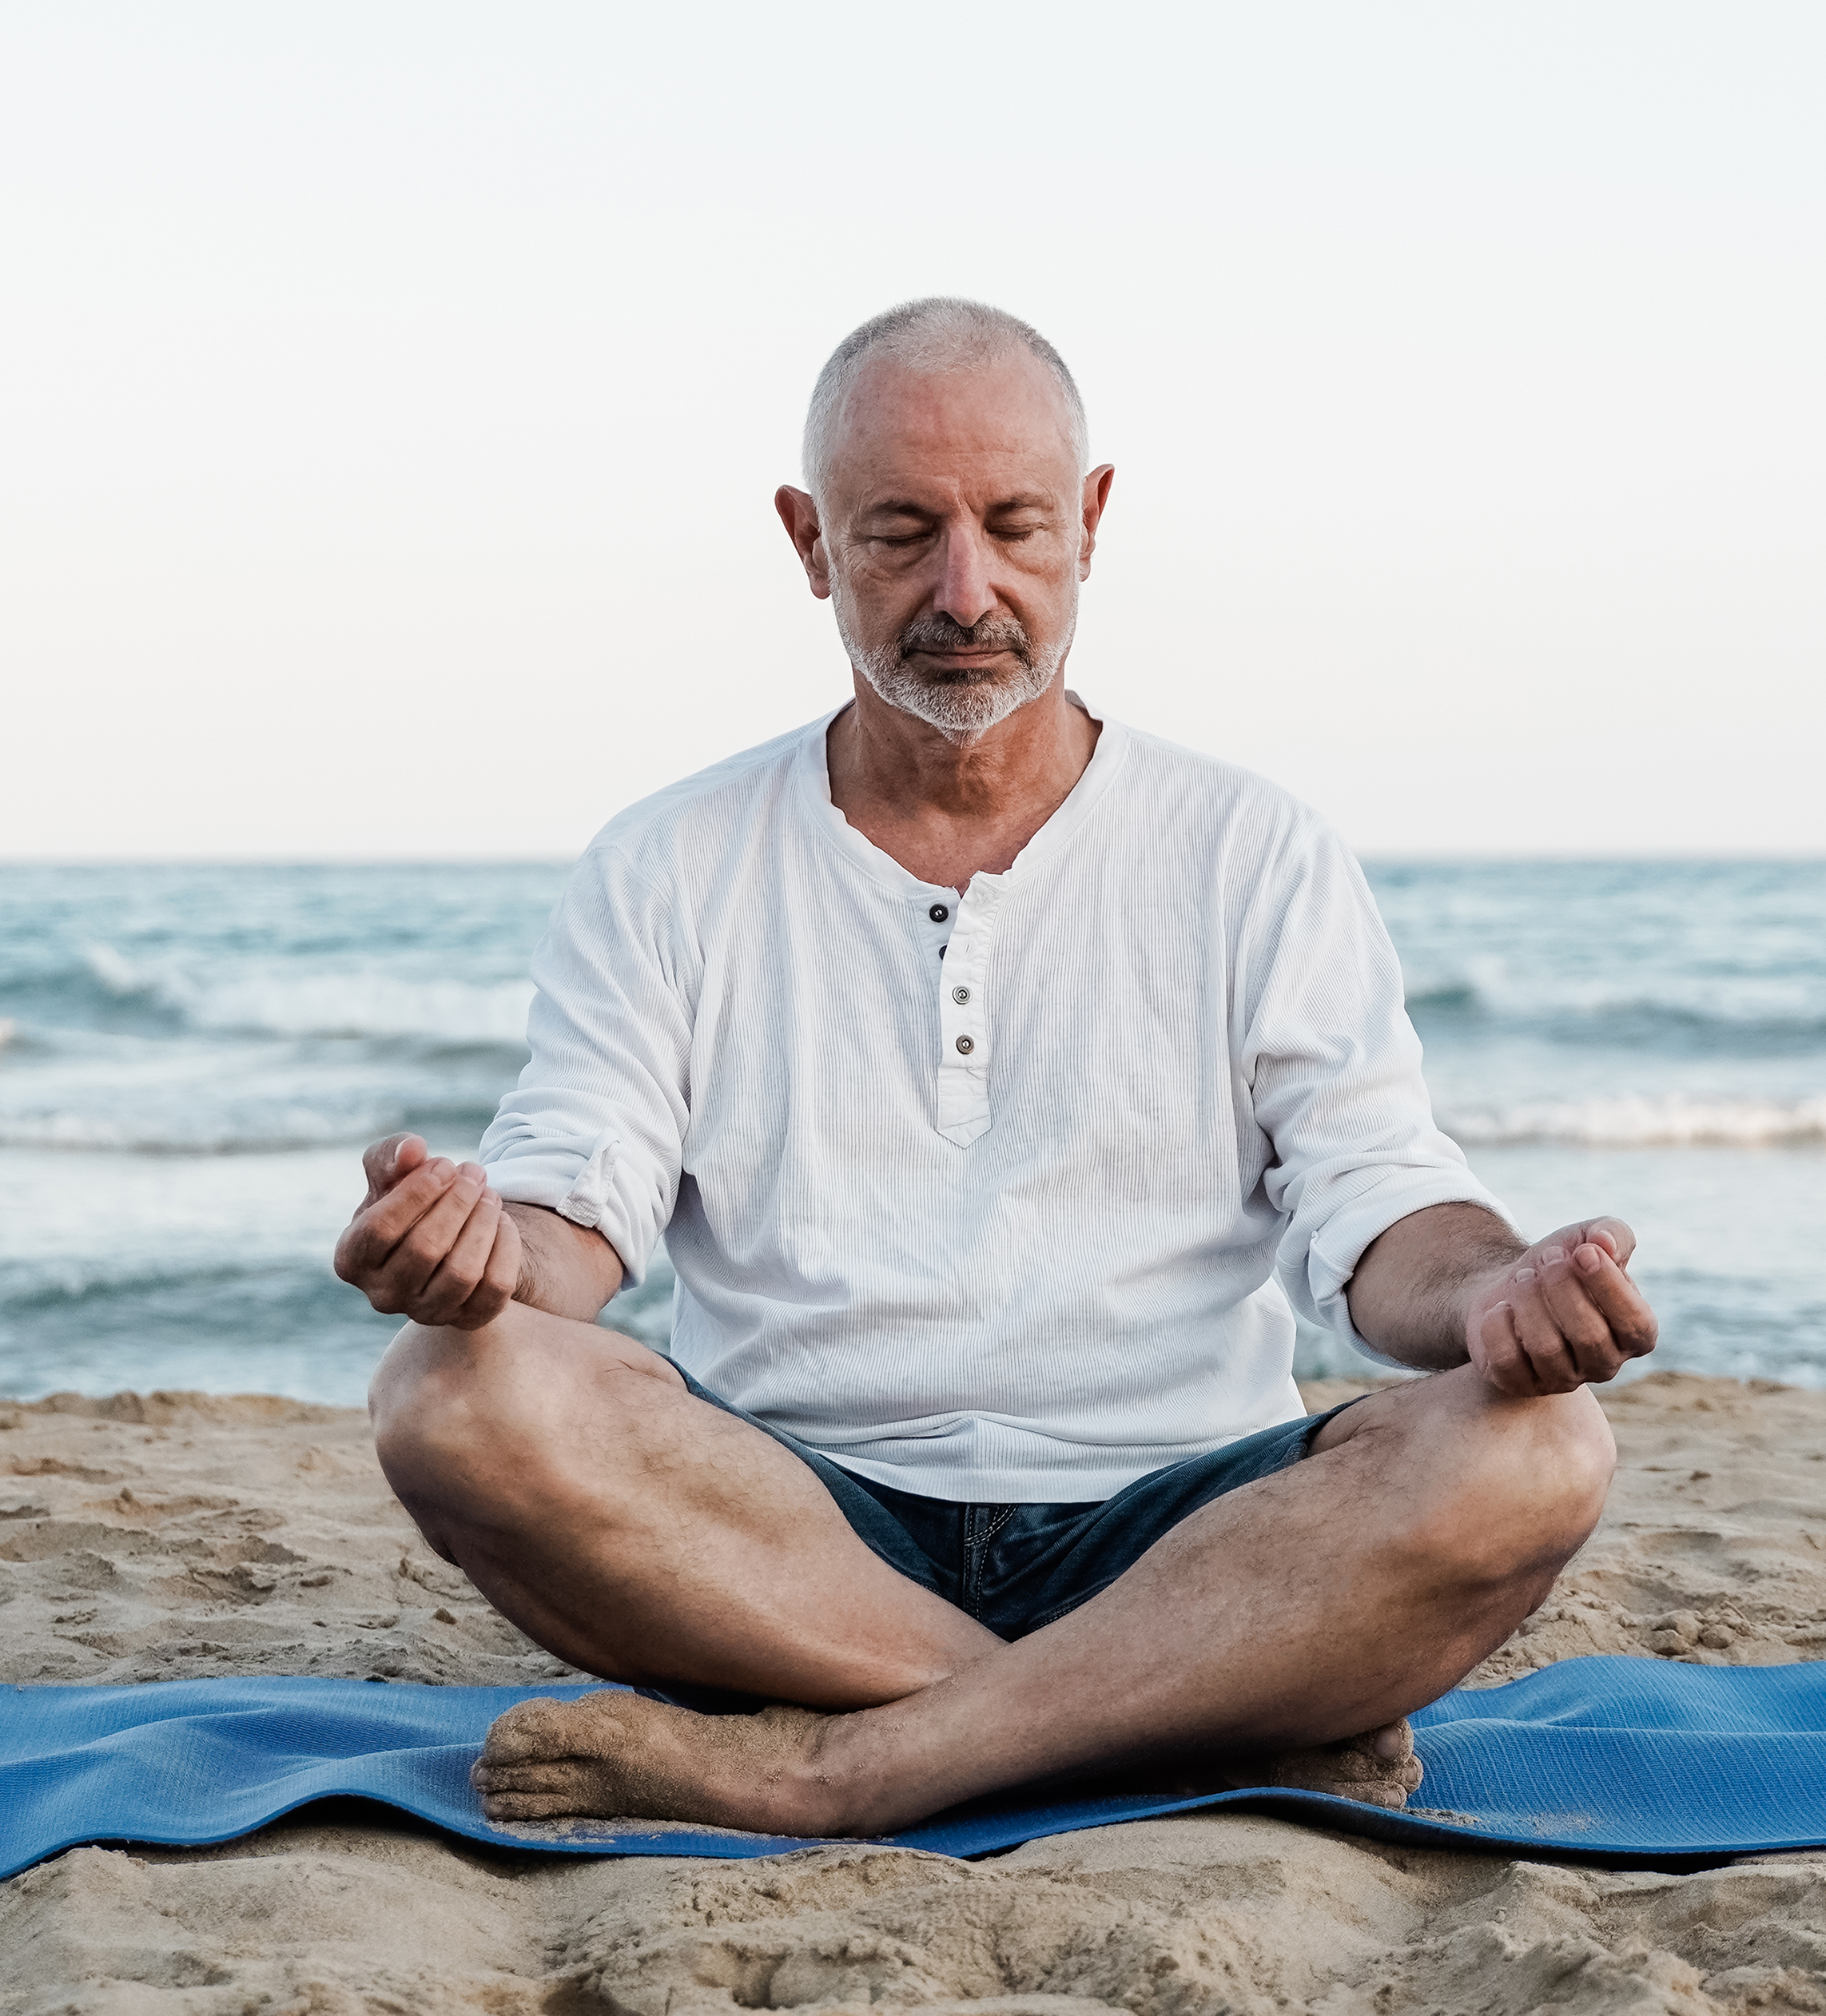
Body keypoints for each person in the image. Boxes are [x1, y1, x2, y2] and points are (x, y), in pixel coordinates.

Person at [335, 297, 1657, 1836]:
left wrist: (1497, 1292)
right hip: (787, 1539)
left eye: (1014, 525)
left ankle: (855, 1765)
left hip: (1191, 1531)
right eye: (901, 532)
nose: (967, 590)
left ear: (1090, 524)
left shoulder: (1252, 850)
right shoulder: (667, 862)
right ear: (809, 542)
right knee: (447, 1394)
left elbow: (1379, 1207)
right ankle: (1164, 1724)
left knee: (1539, 1445)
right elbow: (580, 1203)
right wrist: (477, 1255)